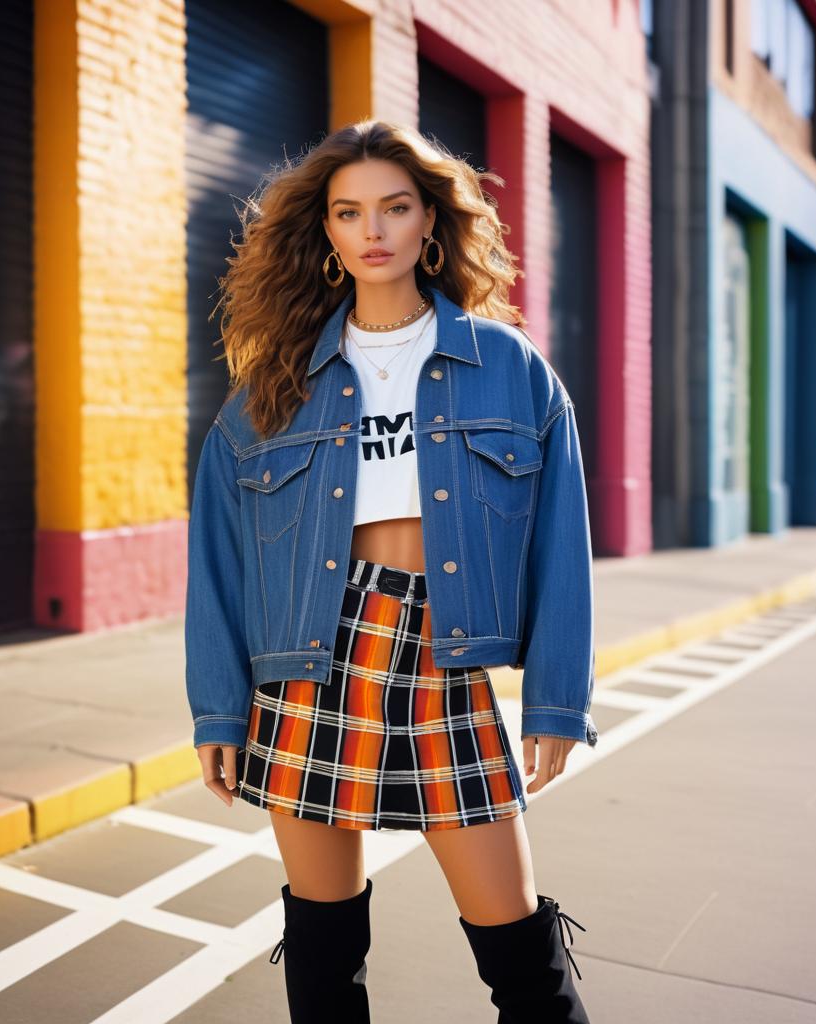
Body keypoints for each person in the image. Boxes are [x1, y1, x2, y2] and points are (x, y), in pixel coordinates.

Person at [185, 118, 595, 1023]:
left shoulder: (508, 369)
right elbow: (216, 556)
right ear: (325, 234)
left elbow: (564, 538)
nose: (372, 230)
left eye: (395, 208)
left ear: (428, 226)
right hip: (309, 663)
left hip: (442, 659)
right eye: (348, 212)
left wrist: (559, 697)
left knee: (518, 948)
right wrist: (218, 704)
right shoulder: (274, 387)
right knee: (325, 951)